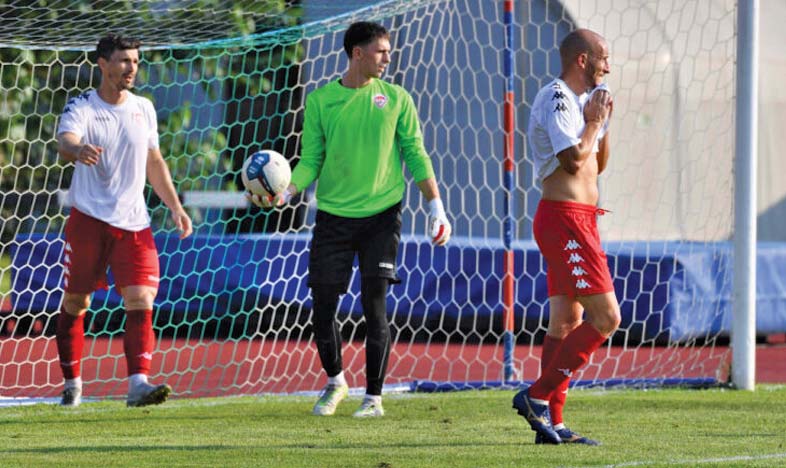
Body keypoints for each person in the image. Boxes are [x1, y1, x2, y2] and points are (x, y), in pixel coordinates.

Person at [248, 21, 451, 417]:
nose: (388, 58)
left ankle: (373, 397)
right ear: (357, 53)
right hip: (333, 218)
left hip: (382, 215)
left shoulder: (396, 98)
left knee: (375, 304)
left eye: (388, 51)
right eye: (381, 51)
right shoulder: (322, 100)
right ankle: (335, 381)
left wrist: (436, 206)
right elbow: (310, 161)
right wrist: (286, 192)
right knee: (323, 305)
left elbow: (416, 153)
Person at [55, 33, 193, 407]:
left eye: (135, 60)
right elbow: (65, 141)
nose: (131, 67)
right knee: (76, 303)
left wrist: (176, 207)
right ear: (103, 64)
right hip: (89, 220)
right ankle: (72, 384)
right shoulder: (82, 106)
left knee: (141, 297)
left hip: (134, 222)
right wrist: (77, 149)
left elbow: (154, 162)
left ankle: (137, 384)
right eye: (123, 60)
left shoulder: (144, 108)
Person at [512, 28, 620, 444]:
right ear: (582, 59)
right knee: (607, 317)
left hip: (580, 219)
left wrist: (605, 122)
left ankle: (552, 424)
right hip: (565, 220)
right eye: (603, 58)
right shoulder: (556, 97)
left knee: (565, 322)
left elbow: (599, 163)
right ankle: (536, 397)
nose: (608, 66)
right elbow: (574, 162)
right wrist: (592, 122)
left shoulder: (582, 103)